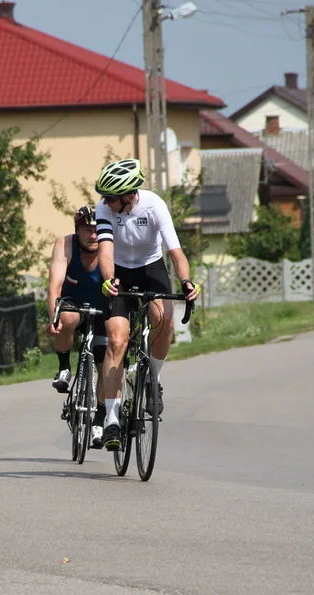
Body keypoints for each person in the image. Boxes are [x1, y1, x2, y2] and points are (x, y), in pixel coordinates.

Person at [93, 158, 200, 451]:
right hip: (119, 271)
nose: (105, 202)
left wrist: (186, 282)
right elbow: (105, 249)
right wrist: (108, 279)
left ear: (129, 196)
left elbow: (175, 252)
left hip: (151, 268)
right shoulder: (104, 209)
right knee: (116, 341)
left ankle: (154, 379)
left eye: (111, 197)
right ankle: (112, 419)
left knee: (165, 319)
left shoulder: (154, 205)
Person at [47, 205, 108, 448]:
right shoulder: (65, 245)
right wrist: (54, 318)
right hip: (74, 304)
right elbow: (54, 286)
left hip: (104, 309)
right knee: (66, 318)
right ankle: (64, 367)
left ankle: (100, 420)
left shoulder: (110, 248)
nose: (93, 235)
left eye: (97, 229)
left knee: (108, 364)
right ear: (77, 230)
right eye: (86, 230)